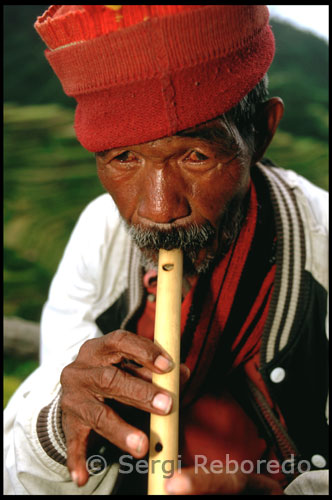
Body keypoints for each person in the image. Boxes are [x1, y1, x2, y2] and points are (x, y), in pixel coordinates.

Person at [4, 5, 328, 496]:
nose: (158, 210)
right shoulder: (100, 235)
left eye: (196, 156)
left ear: (261, 132)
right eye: (123, 158)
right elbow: (25, 477)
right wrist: (54, 425)